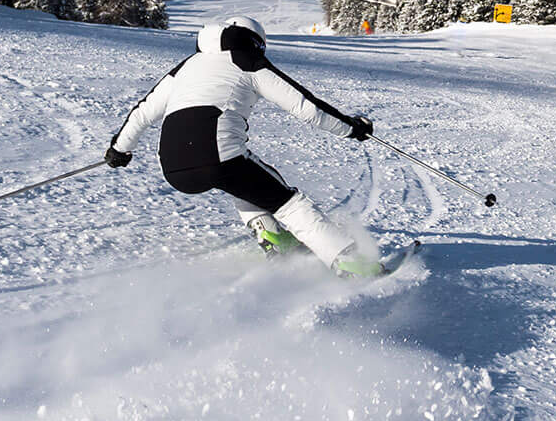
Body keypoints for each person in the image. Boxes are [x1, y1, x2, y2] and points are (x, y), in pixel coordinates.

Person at [105, 15, 384, 276]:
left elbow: (143, 112)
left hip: (173, 166)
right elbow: (306, 107)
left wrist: (119, 149)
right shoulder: (247, 60)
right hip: (216, 154)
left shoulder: (187, 66)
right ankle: (350, 263)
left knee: (242, 180)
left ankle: (273, 235)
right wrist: (351, 127)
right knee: (288, 202)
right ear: (256, 42)